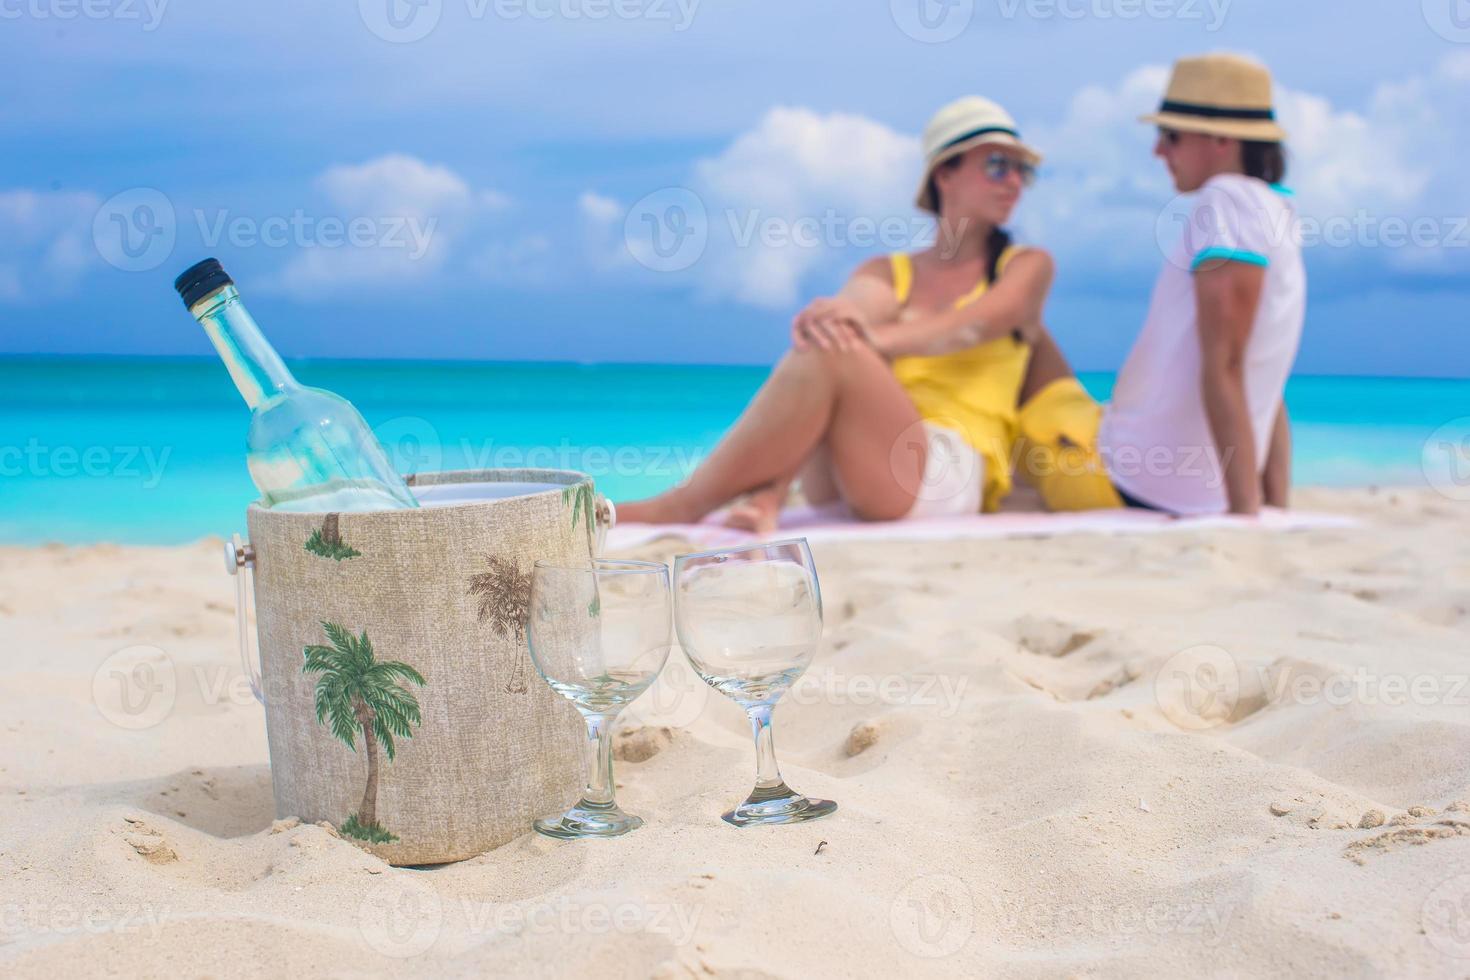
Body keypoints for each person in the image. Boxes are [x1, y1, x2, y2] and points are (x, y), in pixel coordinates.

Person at [617, 96, 1055, 531]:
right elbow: (853, 311)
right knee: (829, 340)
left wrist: (870, 338)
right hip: (856, 464)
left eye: (1023, 170)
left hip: (947, 469)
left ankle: (687, 504)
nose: (1014, 182)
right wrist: (837, 317)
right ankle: (764, 494)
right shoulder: (889, 272)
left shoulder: (1024, 266)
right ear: (945, 173)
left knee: (838, 346)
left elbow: (976, 324)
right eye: (998, 165)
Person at [1015, 53, 1304, 516]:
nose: (1158, 151)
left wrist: (1246, 516)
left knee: (1022, 355)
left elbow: (1226, 365)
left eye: (1170, 136)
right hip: (1175, 483)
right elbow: (1265, 381)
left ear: (1222, 139)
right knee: (1042, 360)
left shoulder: (1224, 202)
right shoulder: (1275, 212)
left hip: (1124, 481)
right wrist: (1275, 506)